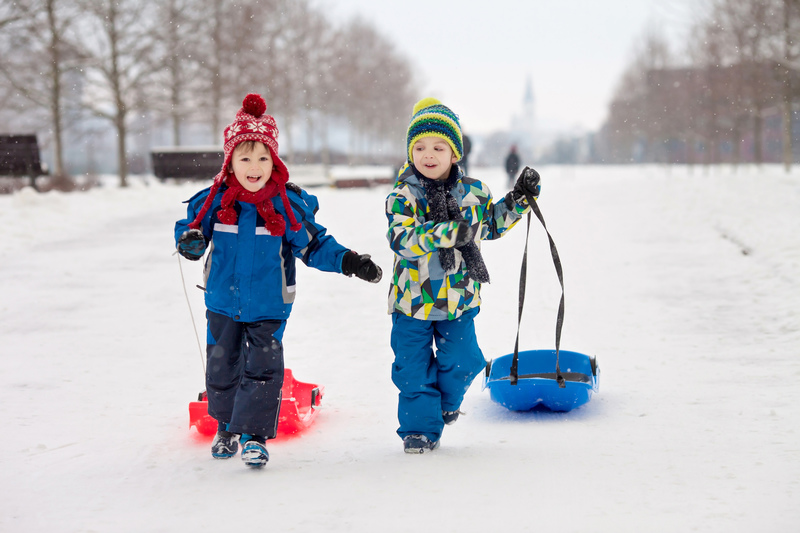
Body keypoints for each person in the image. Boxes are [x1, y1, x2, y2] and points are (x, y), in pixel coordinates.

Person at [175, 93, 382, 468]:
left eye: (263, 158)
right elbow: (191, 229)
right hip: (222, 300)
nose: (254, 167)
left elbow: (315, 245)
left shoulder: (286, 206)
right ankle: (225, 426)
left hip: (270, 303)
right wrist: (189, 242)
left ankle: (254, 437)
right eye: (245, 158)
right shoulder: (214, 202)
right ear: (230, 162)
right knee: (222, 367)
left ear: (275, 162)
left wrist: (349, 261)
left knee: (262, 370)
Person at [385, 97, 541, 453]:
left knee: (465, 360)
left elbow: (491, 225)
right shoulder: (403, 195)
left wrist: (520, 199)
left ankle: (444, 405)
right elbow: (401, 238)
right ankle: (420, 431)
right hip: (412, 301)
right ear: (410, 153)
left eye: (438, 147)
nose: (428, 155)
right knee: (412, 370)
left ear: (454, 153)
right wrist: (442, 233)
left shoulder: (474, 192)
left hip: (459, 299)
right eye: (420, 147)